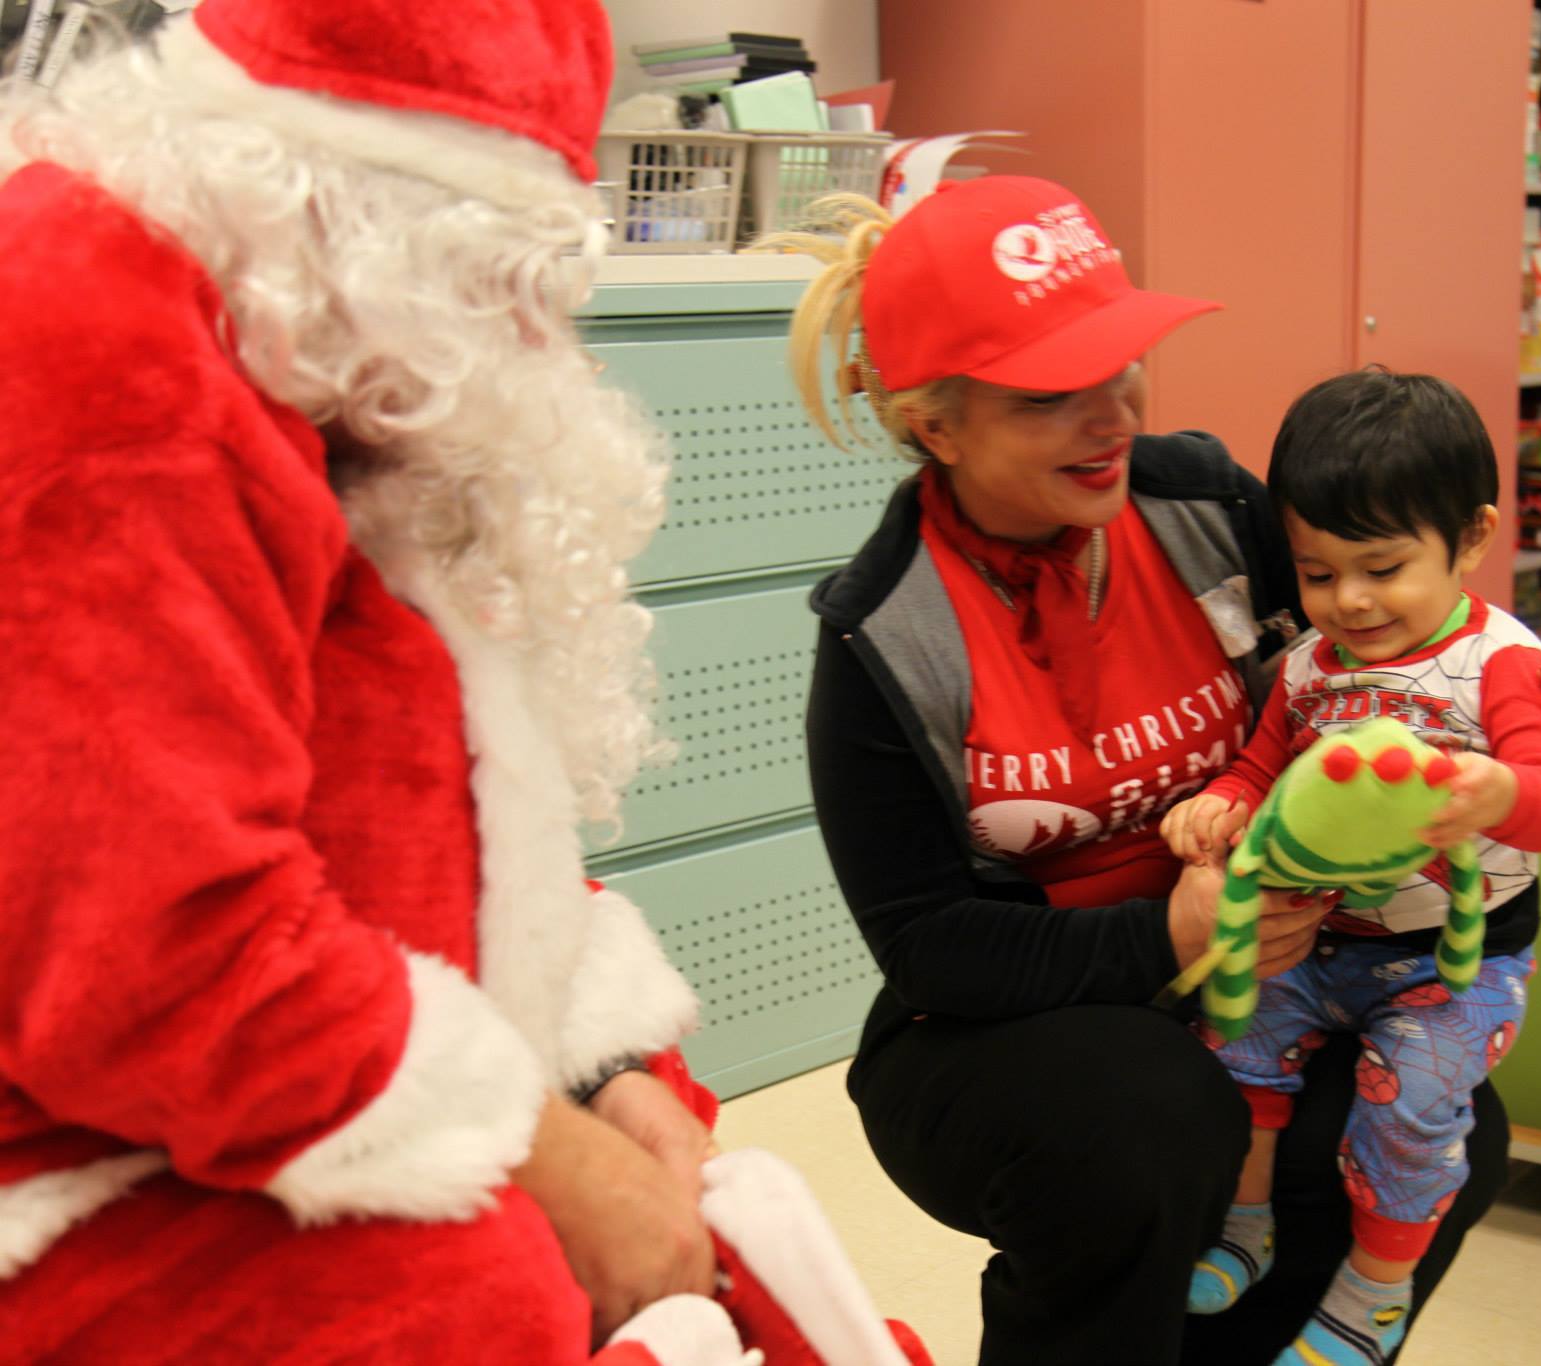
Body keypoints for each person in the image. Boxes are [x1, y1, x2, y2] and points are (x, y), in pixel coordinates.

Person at [0, 4, 921, 1363]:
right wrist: (538, 1151)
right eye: (503, 271)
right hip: (86, 1168)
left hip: (273, 1082)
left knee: (709, 1207)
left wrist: (606, 1078)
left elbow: (451, 807)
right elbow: (146, 953)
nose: (530, 343)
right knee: (474, 1295)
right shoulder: (106, 355)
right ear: (367, 214)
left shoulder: (308, 366)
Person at [774, 175, 1541, 1365]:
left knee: (1438, 1134)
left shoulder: (1206, 505)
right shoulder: (886, 631)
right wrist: (1165, 936)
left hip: (1274, 961)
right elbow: (929, 945)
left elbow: (1395, 627)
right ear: (938, 425)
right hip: (1006, 1022)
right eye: (1052, 394)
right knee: (1148, 1114)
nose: (1113, 415)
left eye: (1120, 366)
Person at [1160, 368, 1541, 1366]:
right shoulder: (1309, 663)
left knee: (1411, 1112)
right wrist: (1224, 800)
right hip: (1316, 945)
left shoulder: (1500, 662)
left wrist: (1498, 792)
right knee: (1231, 1052)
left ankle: (1373, 1288)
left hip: (1449, 968)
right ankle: (1244, 1225)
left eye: (1381, 568)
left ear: (1472, 538)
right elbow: (1263, 758)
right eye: (1315, 571)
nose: (1346, 600)